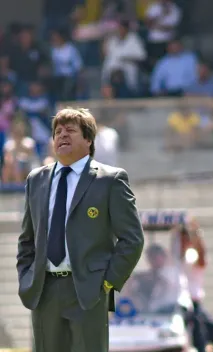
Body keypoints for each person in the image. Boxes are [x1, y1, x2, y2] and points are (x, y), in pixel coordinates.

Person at [16, 107, 145, 352]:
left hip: (88, 291)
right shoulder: (36, 179)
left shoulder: (110, 180)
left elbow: (132, 239)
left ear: (88, 139)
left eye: (70, 130)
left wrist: (106, 283)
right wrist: (27, 278)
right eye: (58, 131)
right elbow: (27, 240)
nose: (62, 135)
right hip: (44, 292)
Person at [176, 219, 213, 352]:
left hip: (195, 306)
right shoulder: (172, 263)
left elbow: (201, 260)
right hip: (180, 307)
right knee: (197, 341)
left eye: (186, 238)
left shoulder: (190, 257)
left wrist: (197, 235)